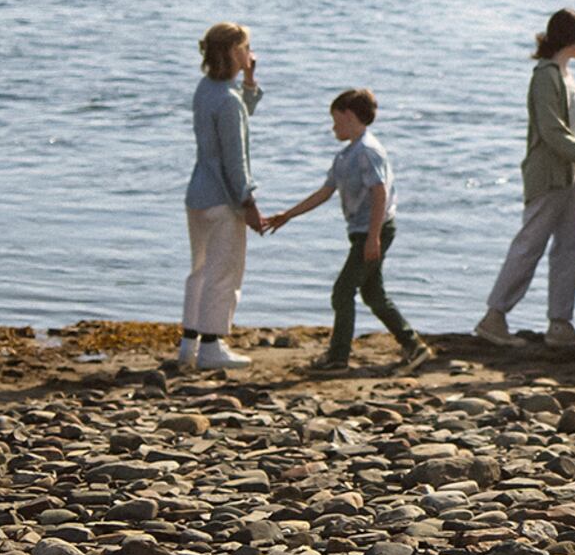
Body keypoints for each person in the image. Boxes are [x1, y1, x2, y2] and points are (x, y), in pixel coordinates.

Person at [261, 86, 423, 374]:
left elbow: (380, 194)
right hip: (362, 231)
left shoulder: (368, 151)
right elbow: (325, 192)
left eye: (335, 120)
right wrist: (287, 215)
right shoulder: (345, 156)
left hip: (375, 230)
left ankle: (338, 358)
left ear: (349, 116)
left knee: (343, 291)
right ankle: (413, 345)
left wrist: (373, 237)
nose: (333, 127)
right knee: (373, 294)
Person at [482, 7, 575, 348]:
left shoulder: (566, 76)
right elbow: (552, 133)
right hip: (548, 176)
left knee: (569, 249)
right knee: (529, 246)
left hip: (571, 177)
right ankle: (494, 318)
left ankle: (560, 325)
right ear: (571, 39)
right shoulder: (545, 76)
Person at [179, 22, 265, 375]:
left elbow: (238, 114)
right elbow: (235, 161)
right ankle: (212, 345)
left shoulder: (206, 89)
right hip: (222, 199)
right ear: (233, 52)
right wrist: (249, 204)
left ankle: (190, 343)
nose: (250, 53)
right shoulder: (229, 101)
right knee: (224, 272)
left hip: (198, 194)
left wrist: (249, 81)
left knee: (200, 270)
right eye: (245, 47)